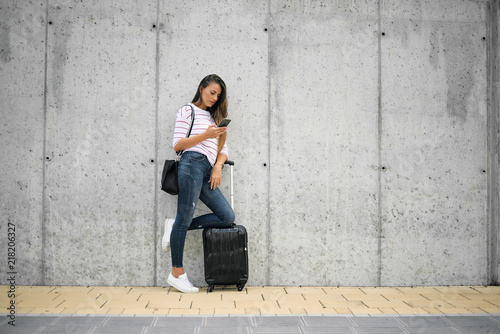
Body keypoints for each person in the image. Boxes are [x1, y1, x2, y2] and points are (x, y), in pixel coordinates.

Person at [162, 74, 235, 293]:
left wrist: (217, 166)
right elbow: (178, 145)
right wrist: (206, 135)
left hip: (207, 170)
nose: (214, 98)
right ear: (201, 88)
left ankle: (172, 226)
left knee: (227, 216)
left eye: (218, 95)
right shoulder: (188, 111)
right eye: (212, 92)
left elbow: (223, 149)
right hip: (191, 164)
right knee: (185, 217)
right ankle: (177, 273)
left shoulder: (214, 120)